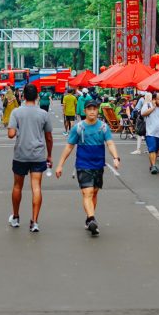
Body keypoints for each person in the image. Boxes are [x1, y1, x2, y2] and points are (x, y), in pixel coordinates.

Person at [55, 100, 120, 237]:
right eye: (89, 109)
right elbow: (69, 147)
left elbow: (110, 143)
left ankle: (90, 217)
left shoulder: (103, 127)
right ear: (84, 111)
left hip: (98, 165)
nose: (92, 111)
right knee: (87, 193)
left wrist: (115, 157)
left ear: (97, 111)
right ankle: (91, 219)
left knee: (94, 192)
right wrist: (60, 165)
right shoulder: (78, 128)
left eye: (94, 109)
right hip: (83, 164)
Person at [7, 84, 53, 233]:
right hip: (38, 155)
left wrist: (17, 130)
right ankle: (34, 222)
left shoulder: (16, 112)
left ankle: (15, 217)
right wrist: (49, 155)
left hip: (20, 154)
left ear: (23, 96)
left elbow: (11, 134)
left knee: (17, 186)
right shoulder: (43, 114)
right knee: (36, 187)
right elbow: (49, 137)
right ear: (37, 96)